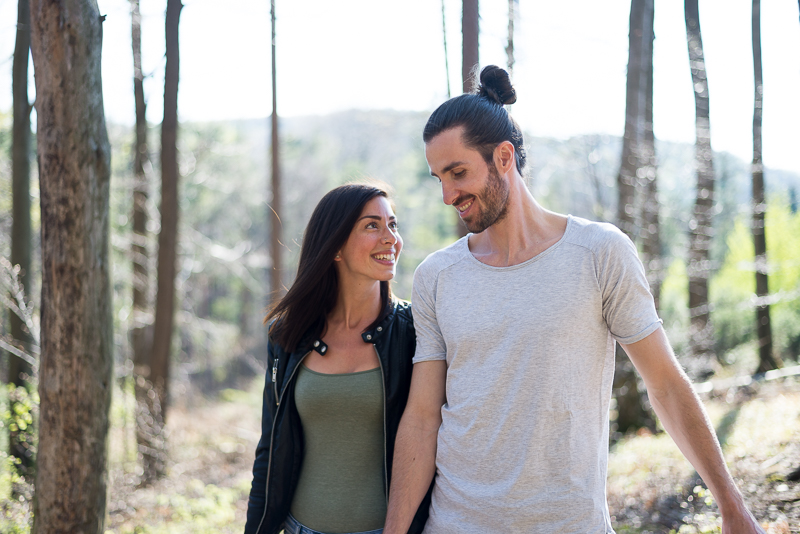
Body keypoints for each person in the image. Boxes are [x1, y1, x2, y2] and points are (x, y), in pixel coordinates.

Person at [383, 66, 764, 533]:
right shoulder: (436, 276)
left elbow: (664, 383)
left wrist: (730, 504)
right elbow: (422, 417)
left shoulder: (599, 253)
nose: (448, 195)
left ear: (504, 157)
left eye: (458, 173)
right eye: (439, 177)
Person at [245, 183, 430, 534]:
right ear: (335, 247)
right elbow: (270, 452)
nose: (390, 238)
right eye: (372, 225)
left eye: (393, 224)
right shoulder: (289, 335)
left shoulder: (414, 332)